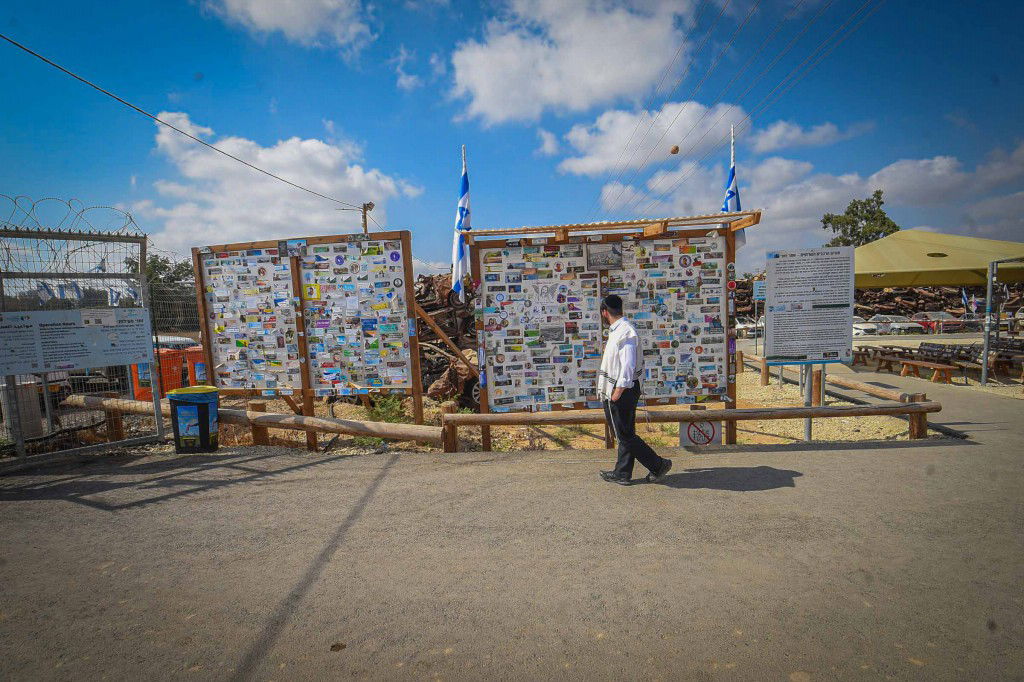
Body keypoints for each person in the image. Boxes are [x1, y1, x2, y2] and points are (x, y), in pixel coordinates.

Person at [597, 294, 672, 486]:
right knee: (625, 431)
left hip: (622, 388)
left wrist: (618, 390)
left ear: (605, 312)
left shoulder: (625, 332)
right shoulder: (619, 330)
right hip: (622, 387)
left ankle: (657, 464)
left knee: (624, 435)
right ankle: (622, 472)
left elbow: (628, 365)